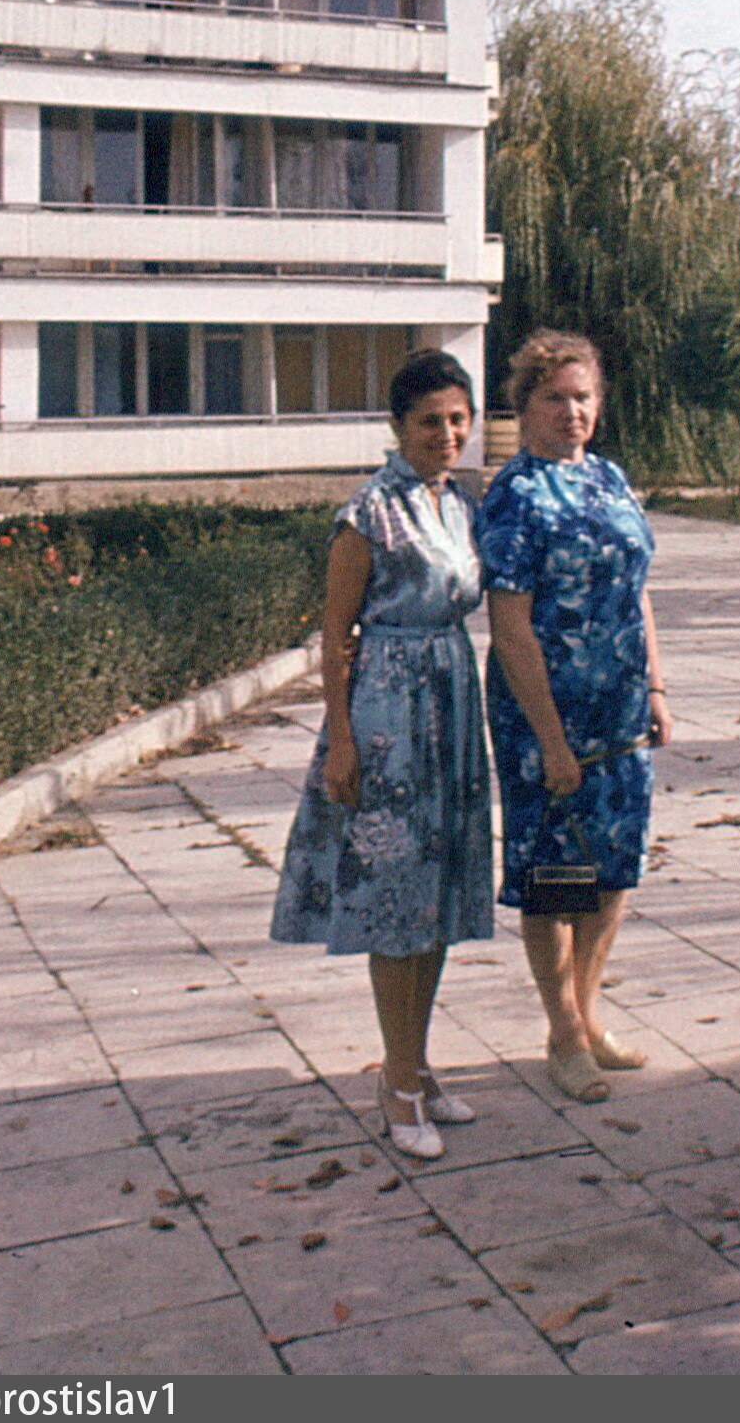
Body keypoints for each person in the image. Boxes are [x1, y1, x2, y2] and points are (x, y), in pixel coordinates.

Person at [270, 348, 493, 1160]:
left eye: (458, 420)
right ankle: (396, 1085)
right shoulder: (369, 512)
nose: (446, 434)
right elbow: (335, 633)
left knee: (436, 898)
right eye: (430, 421)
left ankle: (417, 1065)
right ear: (398, 426)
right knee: (398, 900)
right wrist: (342, 739)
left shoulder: (458, 503)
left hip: (450, 703)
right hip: (389, 716)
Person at [476, 330, 673, 1104]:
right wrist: (551, 741)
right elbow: (511, 626)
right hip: (546, 719)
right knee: (557, 878)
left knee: (613, 870)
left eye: (583, 397)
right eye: (554, 398)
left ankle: (590, 1019)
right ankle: (562, 1035)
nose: (572, 412)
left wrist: (656, 689)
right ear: (524, 406)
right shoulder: (516, 496)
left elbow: (636, 589)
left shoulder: (609, 478)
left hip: (621, 712)